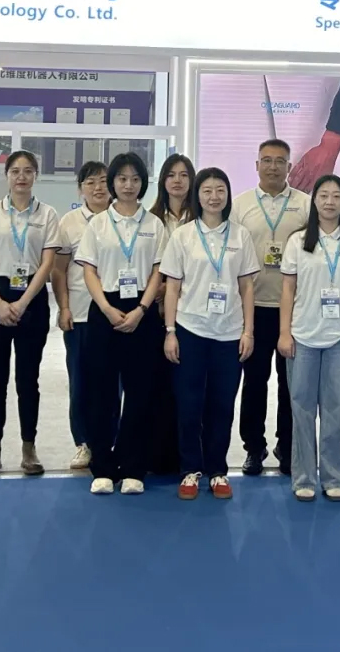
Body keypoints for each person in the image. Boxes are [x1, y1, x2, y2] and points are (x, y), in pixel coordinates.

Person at [162, 167, 259, 500]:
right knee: (189, 403)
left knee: (222, 404)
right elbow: (172, 288)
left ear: (228, 195)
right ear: (197, 195)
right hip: (191, 329)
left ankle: (217, 470)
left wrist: (248, 331)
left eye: (220, 190)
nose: (214, 196)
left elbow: (247, 287)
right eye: (207, 190)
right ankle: (190, 469)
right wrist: (170, 331)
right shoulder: (183, 236)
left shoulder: (240, 236)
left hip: (229, 334)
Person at [75, 152, 167, 495]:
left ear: (143, 183)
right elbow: (89, 271)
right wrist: (106, 308)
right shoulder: (98, 224)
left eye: (135, 179)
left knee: (140, 392)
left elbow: (158, 271)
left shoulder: (154, 225)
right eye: (122, 179)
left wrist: (142, 309)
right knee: (100, 391)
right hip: (105, 311)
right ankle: (102, 466)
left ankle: (132, 466)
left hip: (142, 312)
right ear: (112, 182)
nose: (129, 185)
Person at [278, 176, 340, 501]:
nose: (329, 202)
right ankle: (303, 477)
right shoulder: (298, 241)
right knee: (302, 409)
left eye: (336, 196)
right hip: (302, 337)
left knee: (335, 410)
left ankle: (334, 476)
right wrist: (284, 332)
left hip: (339, 339)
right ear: (314, 201)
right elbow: (287, 289)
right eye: (323, 195)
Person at [0, 150, 61, 479]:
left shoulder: (47, 214)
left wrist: (22, 303)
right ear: (7, 176)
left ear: (36, 175)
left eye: (28, 171)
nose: (21, 177)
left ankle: (28, 447)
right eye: (15, 171)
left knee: (28, 380)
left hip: (32, 300)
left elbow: (48, 264)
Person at [231, 139, 310, 476]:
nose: (273, 166)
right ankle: (254, 447)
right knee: (254, 382)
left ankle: (288, 446)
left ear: (289, 167)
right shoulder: (240, 205)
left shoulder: (305, 204)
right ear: (257, 165)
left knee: (292, 383)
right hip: (254, 308)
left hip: (295, 308)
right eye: (267, 160)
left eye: (280, 161)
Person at [52, 160, 109, 471]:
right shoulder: (69, 222)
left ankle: (110, 442)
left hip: (116, 315)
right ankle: (84, 443)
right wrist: (64, 307)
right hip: (81, 314)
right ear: (80, 189)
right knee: (81, 383)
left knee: (114, 384)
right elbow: (59, 271)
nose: (98, 188)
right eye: (90, 182)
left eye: (103, 181)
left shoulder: (124, 217)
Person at [146, 153, 196, 475]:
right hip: (155, 312)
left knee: (187, 387)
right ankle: (157, 455)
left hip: (192, 313)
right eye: (171, 175)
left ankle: (187, 456)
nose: (177, 181)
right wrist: (160, 289)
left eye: (184, 175)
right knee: (157, 385)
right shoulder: (150, 219)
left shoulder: (203, 218)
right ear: (163, 181)